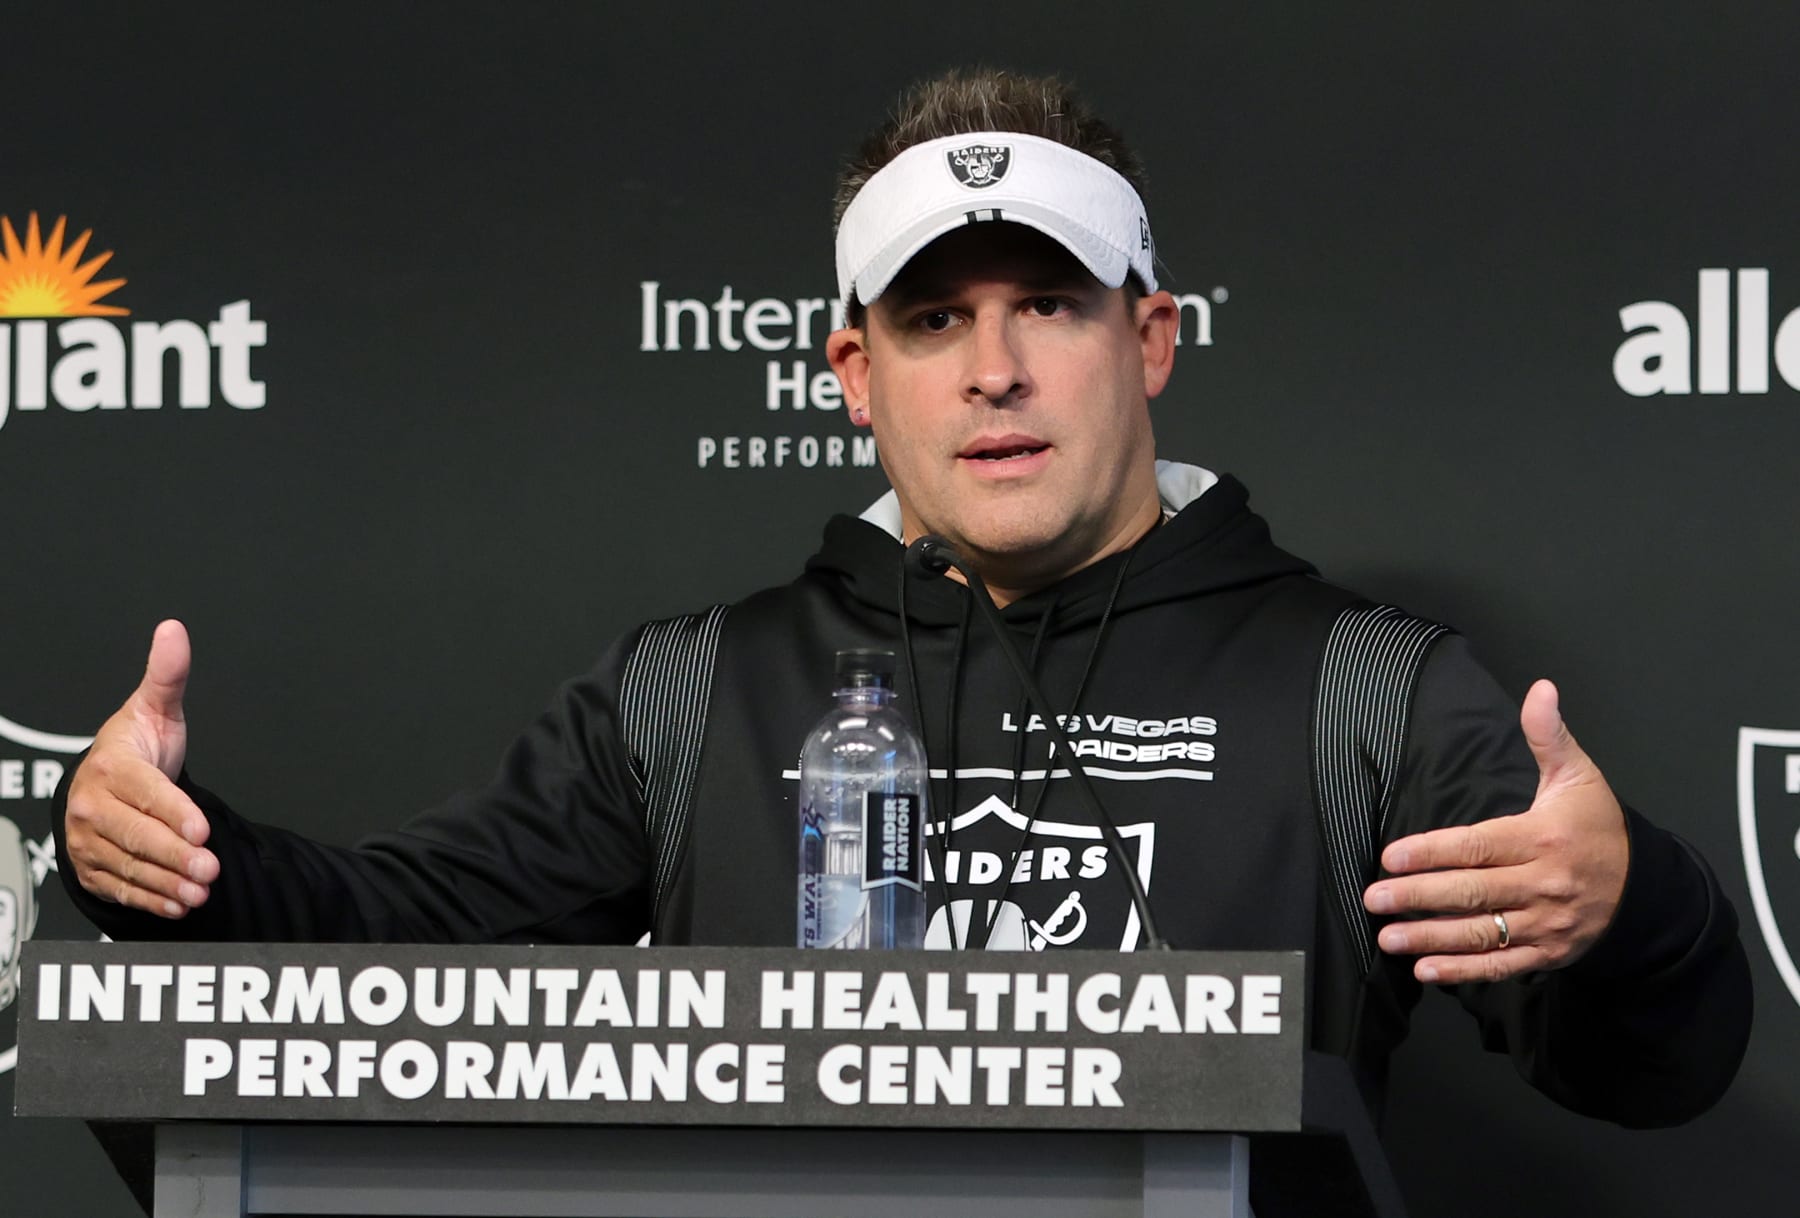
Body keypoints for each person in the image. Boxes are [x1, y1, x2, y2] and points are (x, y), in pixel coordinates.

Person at [55, 69, 1749, 1126]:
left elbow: (1658, 1070)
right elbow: (393, 959)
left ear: (1150, 339)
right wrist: (169, 860)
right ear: (855, 374)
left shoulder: (1360, 688)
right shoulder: (696, 688)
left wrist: (1634, 907)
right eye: (935, 322)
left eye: (1051, 307)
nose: (996, 370)